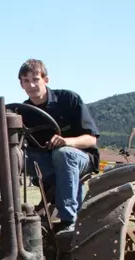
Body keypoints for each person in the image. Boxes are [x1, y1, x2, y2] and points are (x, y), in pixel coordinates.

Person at [18, 58, 100, 234]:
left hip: (80, 158)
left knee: (63, 154)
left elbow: (91, 140)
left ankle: (68, 220)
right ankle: (6, 215)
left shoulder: (68, 99)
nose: (31, 85)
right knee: (12, 156)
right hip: (44, 161)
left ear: (46, 80)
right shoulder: (23, 111)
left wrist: (68, 142)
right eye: (26, 81)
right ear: (21, 84)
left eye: (35, 79)